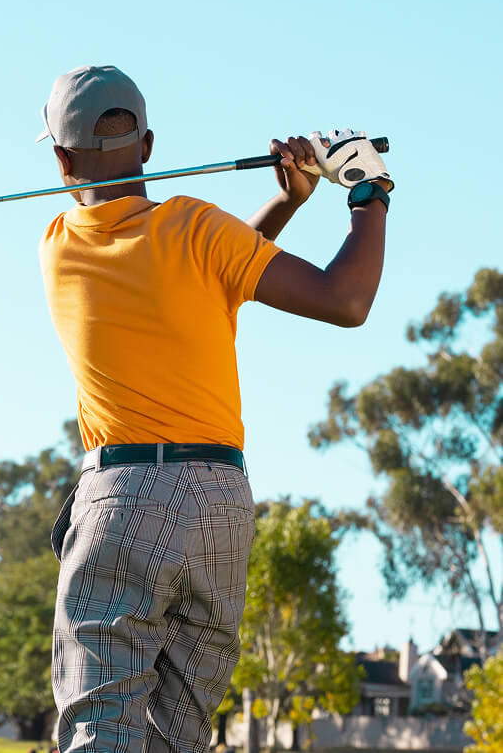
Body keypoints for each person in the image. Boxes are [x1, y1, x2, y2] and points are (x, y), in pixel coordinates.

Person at [37, 66, 393, 753]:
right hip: (222, 506)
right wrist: (367, 196)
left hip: (125, 499)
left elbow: (203, 269)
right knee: (178, 737)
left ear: (59, 158)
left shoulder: (58, 246)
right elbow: (341, 299)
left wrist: (283, 202)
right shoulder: (197, 229)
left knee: (102, 731)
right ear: (148, 145)